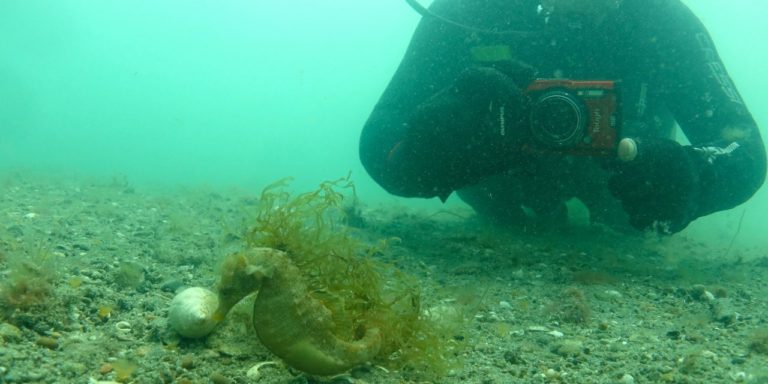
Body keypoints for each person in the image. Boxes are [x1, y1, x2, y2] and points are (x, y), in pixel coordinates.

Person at [359, 0, 766, 234]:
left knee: (625, 225)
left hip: (627, 188)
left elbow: (743, 149)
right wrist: (419, 155)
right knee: (498, 204)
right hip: (497, 184)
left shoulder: (663, 22)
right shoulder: (470, 11)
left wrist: (693, 174)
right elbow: (381, 136)